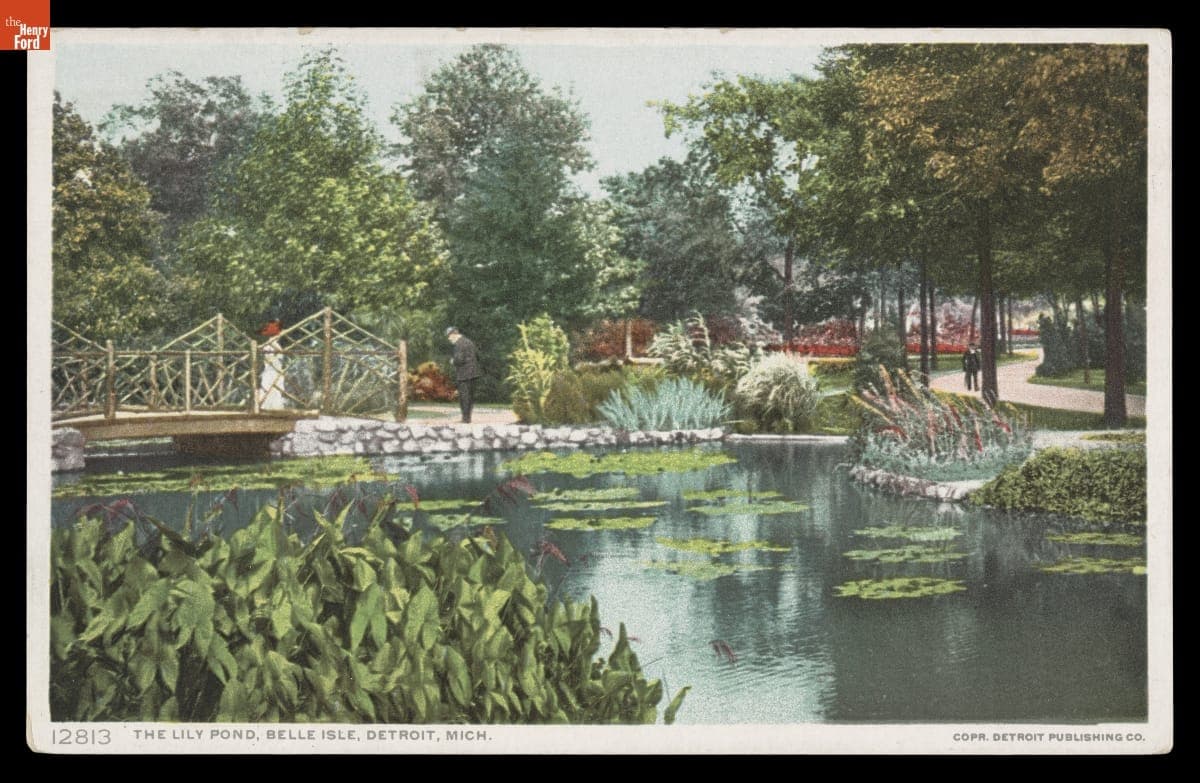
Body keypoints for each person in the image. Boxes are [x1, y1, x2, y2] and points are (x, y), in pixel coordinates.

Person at [446, 326, 481, 423]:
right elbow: (477, 356)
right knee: (470, 397)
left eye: (449, 336)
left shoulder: (459, 344)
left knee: (464, 397)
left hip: (464, 374)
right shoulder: (469, 342)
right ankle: (468, 417)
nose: (449, 339)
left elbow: (459, 359)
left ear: (453, 334)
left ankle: (465, 419)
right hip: (474, 373)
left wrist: (453, 361)